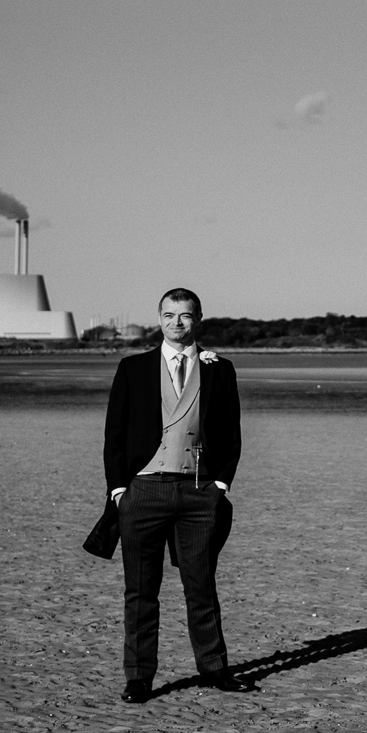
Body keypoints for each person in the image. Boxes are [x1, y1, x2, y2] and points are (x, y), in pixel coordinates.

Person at [103, 288, 251, 702]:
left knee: (201, 586)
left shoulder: (220, 369)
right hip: (143, 490)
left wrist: (220, 486)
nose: (176, 323)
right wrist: (119, 490)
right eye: (169, 315)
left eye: (185, 316)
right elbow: (114, 434)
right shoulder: (133, 368)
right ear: (159, 318)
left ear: (198, 318)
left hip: (199, 493)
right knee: (140, 591)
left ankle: (215, 669)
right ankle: (138, 677)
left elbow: (232, 432)